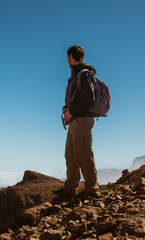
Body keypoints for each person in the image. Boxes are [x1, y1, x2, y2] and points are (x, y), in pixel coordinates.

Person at [60, 45, 100, 198]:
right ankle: (70, 187)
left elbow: (89, 99)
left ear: (70, 57)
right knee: (70, 154)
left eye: (67, 57)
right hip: (75, 120)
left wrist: (71, 111)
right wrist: (66, 109)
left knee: (83, 154)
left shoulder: (84, 74)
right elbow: (76, 98)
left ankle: (91, 189)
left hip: (82, 119)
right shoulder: (76, 75)